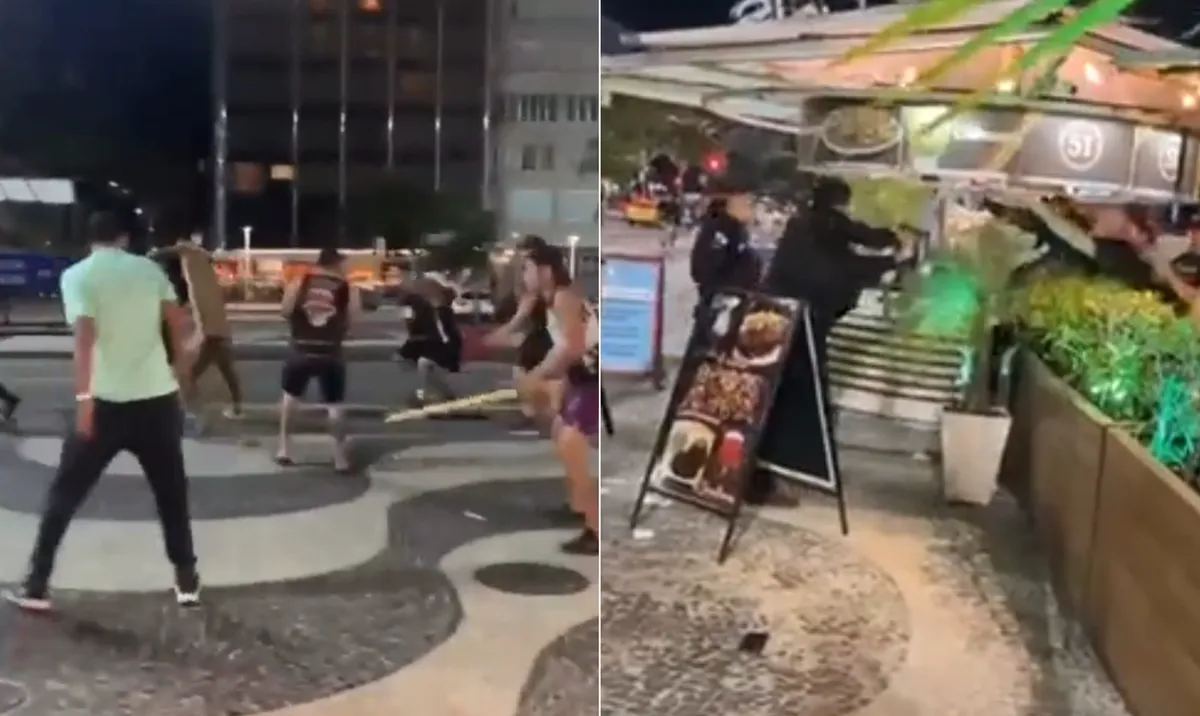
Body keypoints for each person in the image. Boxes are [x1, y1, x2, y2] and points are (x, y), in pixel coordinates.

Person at [7, 212, 201, 611]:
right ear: (125, 238)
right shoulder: (149, 271)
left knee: (65, 494)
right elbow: (177, 324)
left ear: (88, 239)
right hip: (156, 400)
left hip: (105, 403)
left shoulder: (78, 276)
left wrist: (83, 400)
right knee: (171, 495)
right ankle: (187, 580)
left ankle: (37, 584)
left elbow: (83, 338)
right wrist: (182, 381)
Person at [751, 176, 904, 505]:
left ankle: (774, 473)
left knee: (780, 402)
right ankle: (763, 476)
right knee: (784, 403)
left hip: (781, 326)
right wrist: (891, 258)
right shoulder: (820, 228)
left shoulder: (812, 224)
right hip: (792, 331)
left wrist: (888, 241)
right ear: (838, 203)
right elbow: (840, 268)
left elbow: (858, 235)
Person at [519, 243, 599, 554]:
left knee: (570, 443)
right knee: (561, 435)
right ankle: (580, 506)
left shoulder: (564, 297)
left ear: (545, 271)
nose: (524, 276)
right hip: (581, 376)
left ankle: (594, 527)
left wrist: (536, 375)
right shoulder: (555, 298)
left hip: (591, 375)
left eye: (527, 269)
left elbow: (573, 347)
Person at [276, 247, 360, 472]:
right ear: (335, 264)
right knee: (334, 404)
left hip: (300, 349)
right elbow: (354, 320)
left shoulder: (300, 280)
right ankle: (339, 458)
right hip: (330, 352)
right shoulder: (347, 287)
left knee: (290, 398)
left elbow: (285, 310)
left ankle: (284, 448)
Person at [150, 239, 243, 418]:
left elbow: (172, 249)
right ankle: (236, 407)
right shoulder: (204, 268)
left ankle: (190, 411)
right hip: (218, 329)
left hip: (209, 331)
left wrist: (153, 253)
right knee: (226, 369)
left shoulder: (190, 252)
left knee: (190, 375)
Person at [487, 235, 560, 427]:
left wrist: (506, 330)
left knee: (525, 372)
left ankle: (535, 412)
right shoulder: (550, 277)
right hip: (544, 333)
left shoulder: (537, 281)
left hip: (543, 333)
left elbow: (527, 306)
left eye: (526, 264)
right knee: (532, 372)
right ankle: (538, 411)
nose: (523, 268)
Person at [396, 275, 462, 406]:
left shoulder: (440, 311)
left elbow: (443, 334)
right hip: (440, 346)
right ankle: (444, 394)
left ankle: (433, 394)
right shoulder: (430, 309)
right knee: (426, 366)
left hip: (445, 348)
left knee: (425, 364)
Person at [690, 190, 761, 309]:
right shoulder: (724, 228)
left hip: (724, 291)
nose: (752, 211)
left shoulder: (731, 227)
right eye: (748, 205)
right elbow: (706, 264)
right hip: (723, 292)